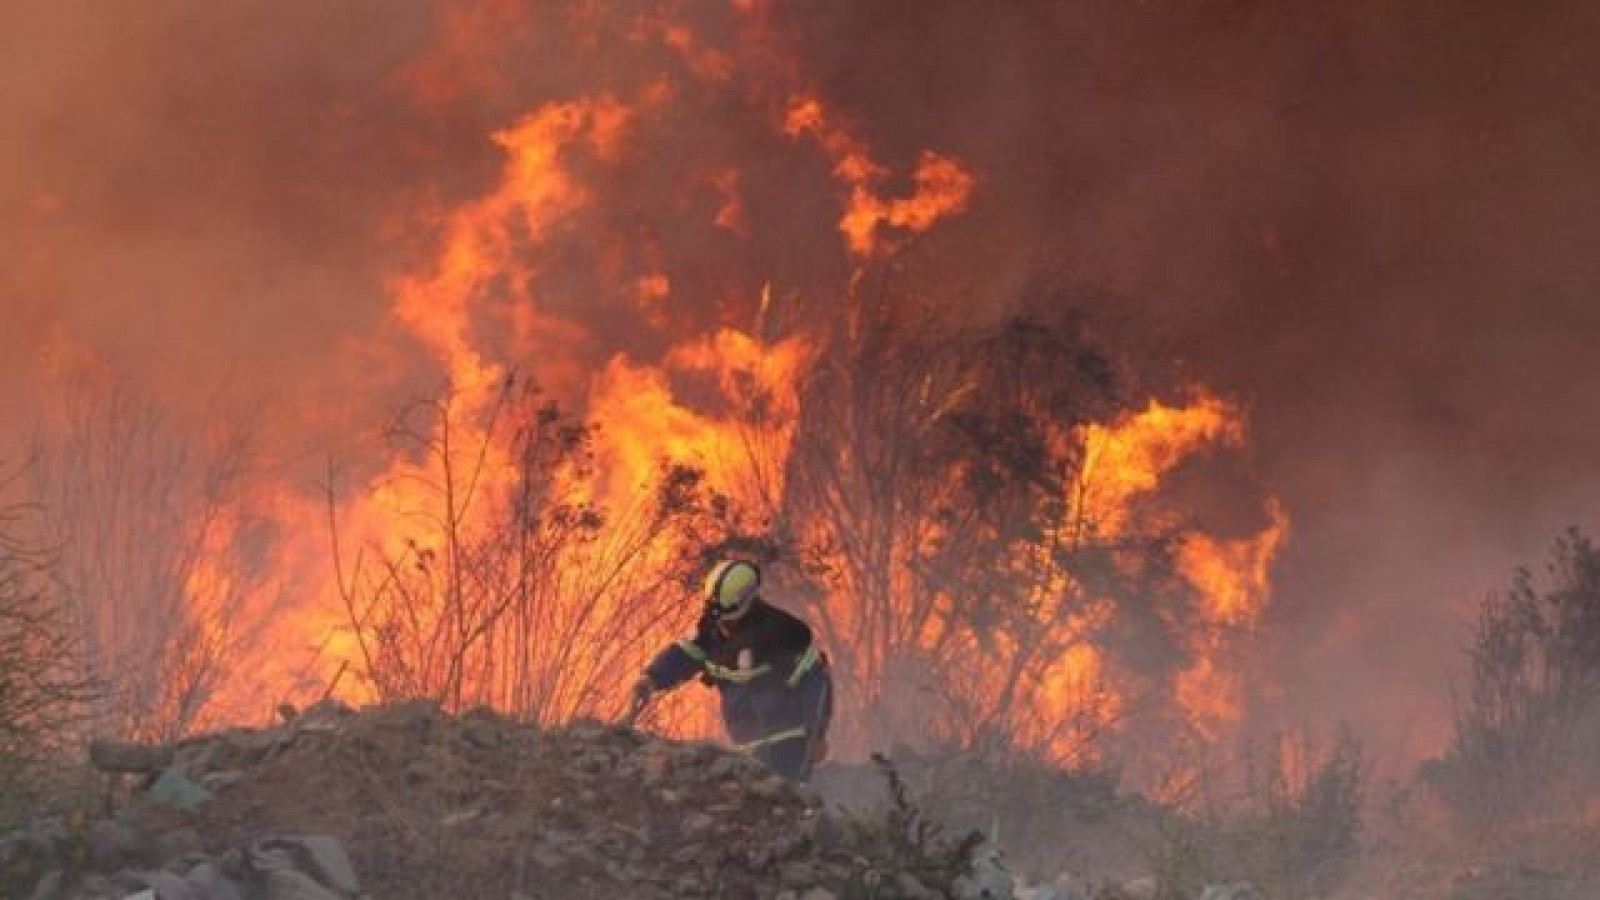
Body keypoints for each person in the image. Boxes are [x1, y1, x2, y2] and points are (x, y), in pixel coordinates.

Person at [632, 559, 833, 781]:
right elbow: (685, 655)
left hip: (787, 741)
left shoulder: (781, 636)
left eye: (727, 616)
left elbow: (817, 684)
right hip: (746, 743)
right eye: (714, 612)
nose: (722, 625)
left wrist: (816, 735)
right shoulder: (711, 633)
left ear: (746, 604)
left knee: (781, 797)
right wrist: (651, 678)